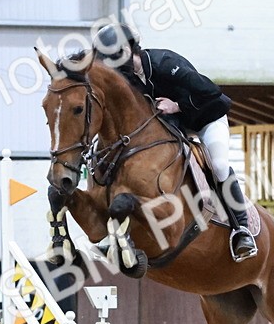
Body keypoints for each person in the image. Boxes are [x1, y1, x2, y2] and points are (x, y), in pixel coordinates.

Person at [91, 23, 257, 261]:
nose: (113, 67)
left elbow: (212, 93)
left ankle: (242, 230)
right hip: (175, 124)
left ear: (129, 49)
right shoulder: (128, 79)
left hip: (206, 117)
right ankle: (119, 235)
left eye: (114, 58)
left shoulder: (165, 63)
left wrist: (177, 105)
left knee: (219, 165)